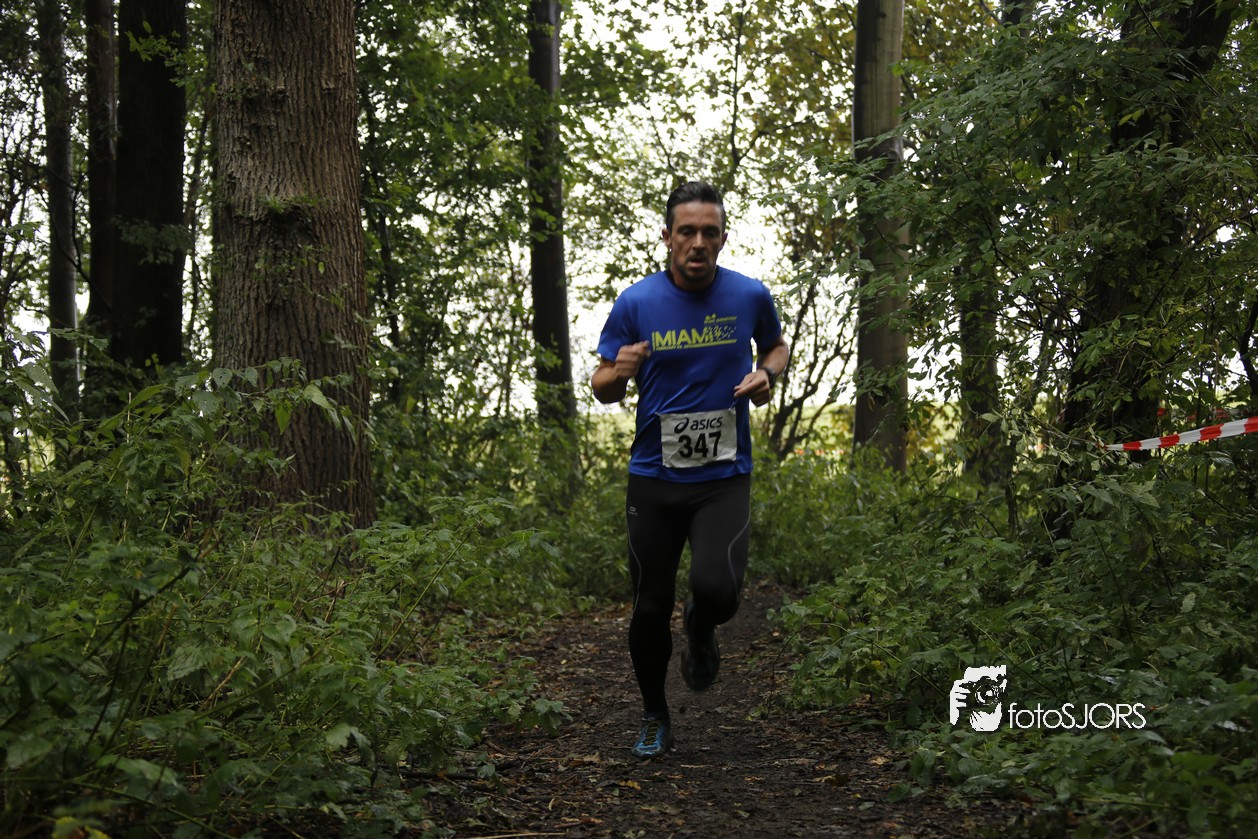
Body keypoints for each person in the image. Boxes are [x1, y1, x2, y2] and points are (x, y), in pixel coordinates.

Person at [590, 181, 789, 758]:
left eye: (709, 232)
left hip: (722, 478)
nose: (697, 242)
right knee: (649, 606)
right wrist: (619, 371)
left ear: (723, 238)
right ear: (667, 237)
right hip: (654, 480)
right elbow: (601, 384)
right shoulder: (636, 303)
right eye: (687, 231)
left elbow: (776, 346)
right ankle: (655, 714)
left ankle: (701, 626)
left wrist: (767, 374)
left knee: (719, 592)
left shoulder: (749, 295)